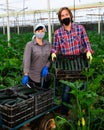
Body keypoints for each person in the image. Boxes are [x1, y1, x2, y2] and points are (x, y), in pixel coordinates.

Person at [51, 7, 93, 115]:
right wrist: (54, 53)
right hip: (67, 64)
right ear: (60, 19)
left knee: (82, 87)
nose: (65, 17)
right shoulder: (57, 33)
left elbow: (86, 42)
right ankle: (64, 113)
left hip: (80, 62)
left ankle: (82, 111)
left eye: (66, 14)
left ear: (70, 15)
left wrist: (88, 51)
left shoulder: (80, 28)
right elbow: (55, 47)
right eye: (62, 16)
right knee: (66, 89)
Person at [22, 23, 52, 88]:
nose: (40, 33)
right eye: (38, 31)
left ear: (45, 32)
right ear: (35, 32)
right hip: (33, 77)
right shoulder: (30, 45)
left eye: (42, 31)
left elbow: (50, 57)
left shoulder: (48, 44)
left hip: (45, 76)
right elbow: (26, 60)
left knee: (45, 95)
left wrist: (47, 66)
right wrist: (26, 74)